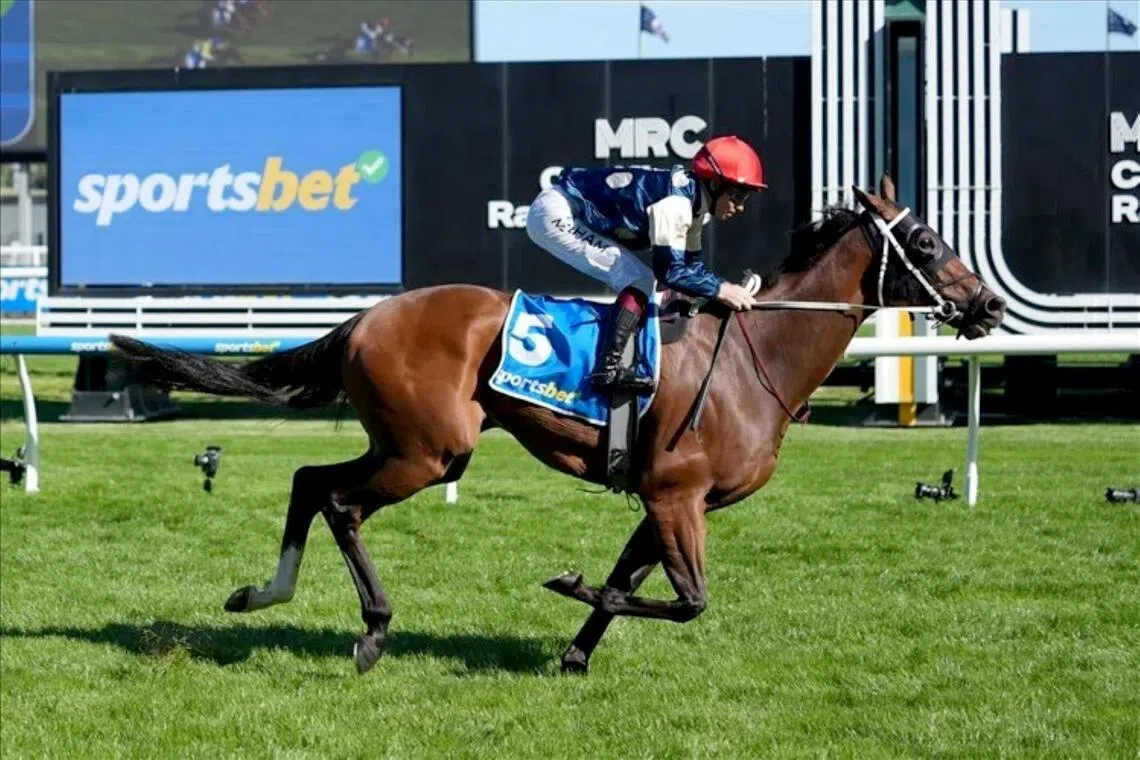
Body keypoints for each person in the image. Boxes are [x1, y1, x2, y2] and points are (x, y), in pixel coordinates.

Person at [525, 135, 766, 394]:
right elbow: (670, 272)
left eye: (746, 198)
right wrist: (721, 289)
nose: (740, 206)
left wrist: (724, 288)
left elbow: (691, 268)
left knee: (643, 279)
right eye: (738, 195)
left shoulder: (693, 203)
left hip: (569, 208)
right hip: (557, 213)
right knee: (640, 279)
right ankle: (608, 369)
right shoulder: (677, 205)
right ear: (715, 184)